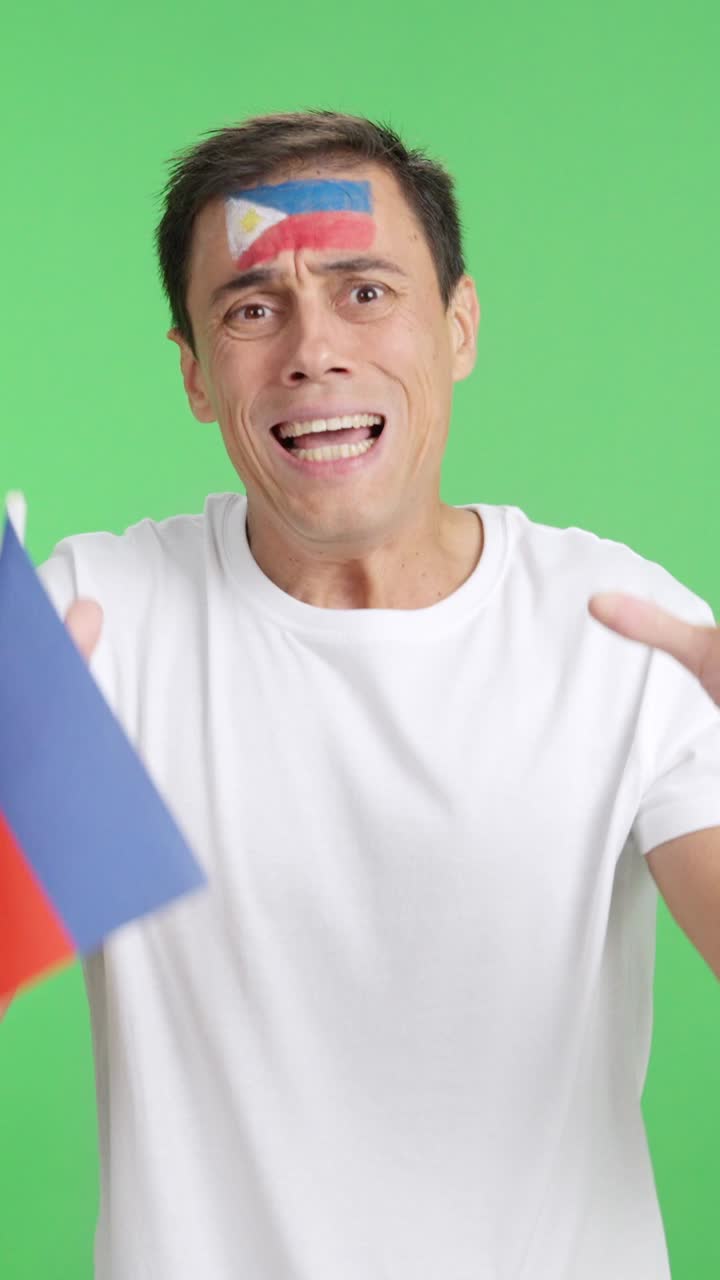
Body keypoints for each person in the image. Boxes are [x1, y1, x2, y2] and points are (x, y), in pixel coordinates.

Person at [7, 109, 720, 1279]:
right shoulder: (95, 623)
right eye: (251, 310)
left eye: (367, 292)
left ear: (460, 325)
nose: (314, 350)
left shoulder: (626, 629)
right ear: (194, 373)